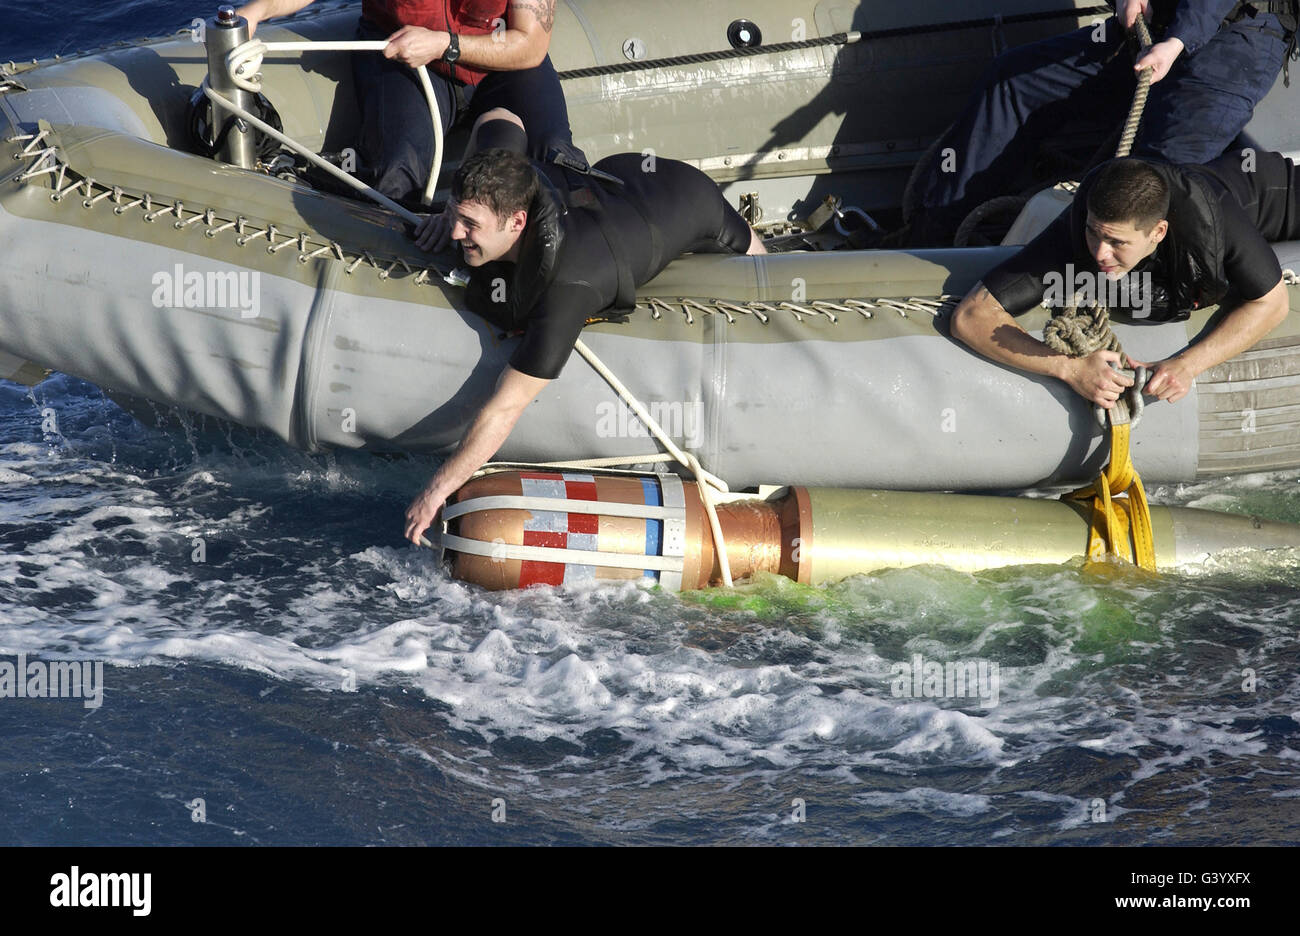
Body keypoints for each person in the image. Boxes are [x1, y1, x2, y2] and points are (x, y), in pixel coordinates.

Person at [402, 111, 767, 544]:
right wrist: (451, 216)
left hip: (687, 201)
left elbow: (506, 406)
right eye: (455, 216)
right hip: (616, 178)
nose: (456, 232)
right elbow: (503, 116)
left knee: (764, 273)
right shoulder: (500, 177)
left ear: (517, 222)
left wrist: (434, 492)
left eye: (470, 225)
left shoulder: (569, 285)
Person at [907, 0, 1297, 247]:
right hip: (1158, 26)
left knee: (1157, 176)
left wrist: (1178, 42)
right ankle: (936, 237)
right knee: (1011, 82)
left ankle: (1092, 277)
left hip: (1241, 37)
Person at [949, 148, 1298, 407]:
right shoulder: (1078, 235)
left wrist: (1187, 365)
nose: (1100, 253)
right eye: (1094, 233)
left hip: (1277, 194)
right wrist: (1068, 368)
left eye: (1117, 242)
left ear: (1158, 232)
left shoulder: (1213, 220)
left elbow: (1272, 302)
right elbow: (970, 316)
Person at [235, 0, 576, 204]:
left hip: (497, 58)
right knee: (397, 172)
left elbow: (530, 44)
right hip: (401, 49)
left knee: (554, 153)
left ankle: (556, 260)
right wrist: (257, 10)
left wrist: (445, 45)